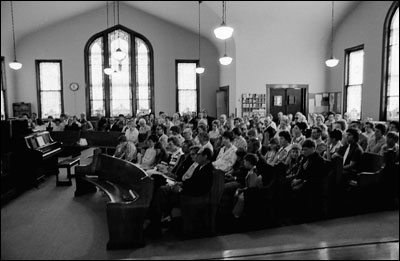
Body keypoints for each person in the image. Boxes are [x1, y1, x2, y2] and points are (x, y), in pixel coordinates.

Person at [146, 148, 214, 236]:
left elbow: (199, 188)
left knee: (163, 192)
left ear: (205, 156)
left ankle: (156, 223)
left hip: (192, 195)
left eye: (199, 155)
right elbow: (192, 181)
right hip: (187, 190)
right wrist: (181, 183)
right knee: (161, 189)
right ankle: (157, 221)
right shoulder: (200, 166)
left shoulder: (208, 169)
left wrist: (180, 189)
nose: (197, 156)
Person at [290, 139, 325, 222]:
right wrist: (296, 179)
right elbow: (301, 171)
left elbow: (313, 175)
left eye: (305, 149)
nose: (303, 151)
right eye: (302, 149)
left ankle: (300, 216)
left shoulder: (318, 160)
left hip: (313, 183)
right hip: (304, 180)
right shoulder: (306, 158)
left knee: (298, 189)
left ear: (313, 148)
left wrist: (299, 181)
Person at [232, 153, 263, 218]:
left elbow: (252, 188)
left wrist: (241, 190)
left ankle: (237, 215)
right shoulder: (251, 170)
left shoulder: (253, 173)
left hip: (250, 195)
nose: (244, 163)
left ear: (249, 162)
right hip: (249, 191)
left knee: (237, 194)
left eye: (245, 162)